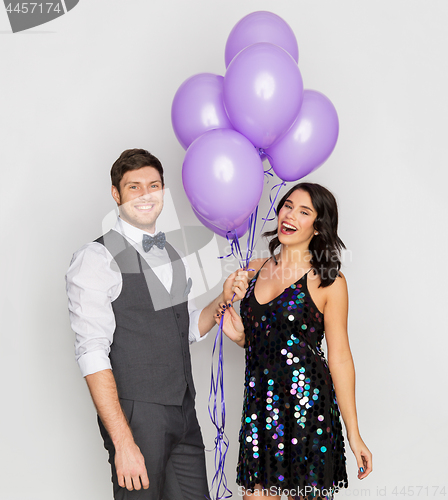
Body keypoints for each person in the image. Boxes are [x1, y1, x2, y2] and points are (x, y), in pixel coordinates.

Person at [66, 148, 247, 500]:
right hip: (138, 414)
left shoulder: (173, 255)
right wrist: (122, 441)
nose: (146, 195)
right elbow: (92, 354)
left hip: (183, 410)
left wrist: (223, 299)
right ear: (116, 194)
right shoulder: (96, 258)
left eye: (154, 185)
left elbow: (185, 327)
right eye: (134, 187)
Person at [217, 182, 372, 499]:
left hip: (307, 408)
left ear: (318, 227)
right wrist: (243, 339)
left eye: (304, 211)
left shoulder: (329, 281)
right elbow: (275, 339)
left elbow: (340, 357)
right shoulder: (254, 270)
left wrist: (354, 434)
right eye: (288, 206)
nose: (290, 215)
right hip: (260, 408)